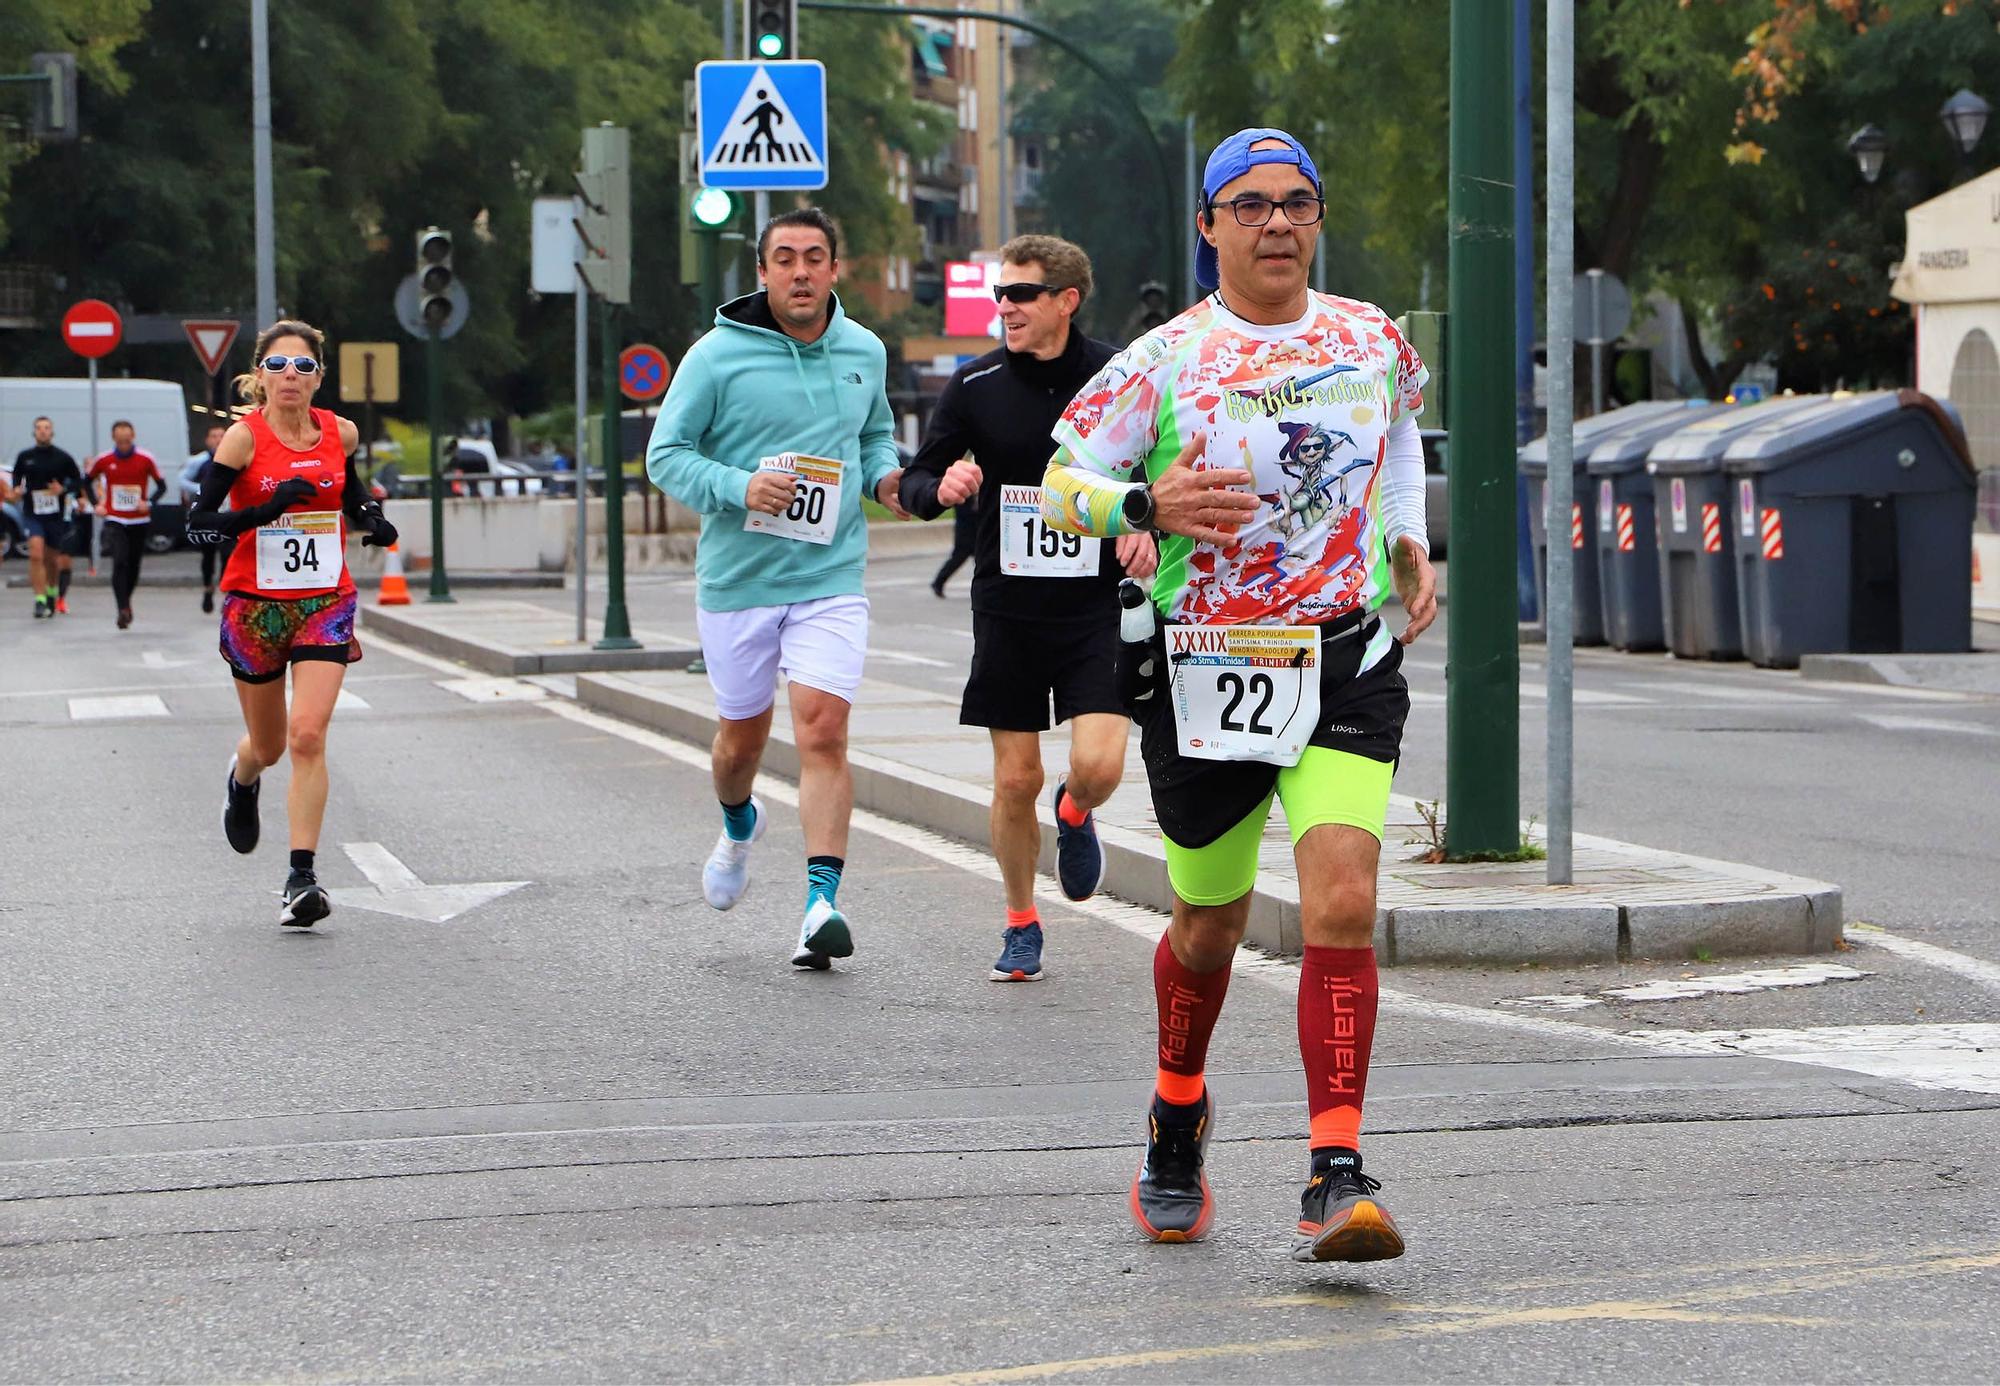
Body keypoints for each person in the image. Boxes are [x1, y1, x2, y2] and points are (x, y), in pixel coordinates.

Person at [1041, 129, 1438, 1263]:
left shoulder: (1369, 337)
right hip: (1206, 669)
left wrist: (1404, 536)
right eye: (1250, 205)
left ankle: (1335, 1172)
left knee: (1342, 899)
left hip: (1344, 657)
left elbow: (1398, 439)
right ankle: (1175, 1111)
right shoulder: (1160, 360)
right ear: (1208, 224)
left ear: (1318, 216)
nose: (1276, 224)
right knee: (1208, 921)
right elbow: (1066, 481)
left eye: (1296, 203)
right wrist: (1139, 508)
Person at [647, 207, 909, 971]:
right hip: (739, 581)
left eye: (815, 257)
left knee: (823, 729)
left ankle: (819, 905)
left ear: (835, 269)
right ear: (762, 272)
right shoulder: (715, 357)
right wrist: (738, 486)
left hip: (829, 574)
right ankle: (737, 823)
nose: (801, 271)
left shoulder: (864, 349)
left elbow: (872, 438)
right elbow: (667, 455)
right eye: (785, 258)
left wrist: (888, 478)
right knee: (741, 743)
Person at [900, 234, 1156, 983]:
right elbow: (918, 476)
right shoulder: (974, 385)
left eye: (1020, 294)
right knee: (1015, 780)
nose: (1003, 307)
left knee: (1099, 763)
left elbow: (1161, 467)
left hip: (1096, 606)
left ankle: (1076, 813)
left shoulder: (1117, 376)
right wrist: (937, 489)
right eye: (999, 295)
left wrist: (1149, 531)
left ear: (1066, 301)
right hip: (1009, 607)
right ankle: (1019, 922)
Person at [185, 320, 399, 928]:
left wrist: (371, 518)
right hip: (255, 605)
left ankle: (300, 877)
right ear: (260, 375)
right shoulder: (242, 440)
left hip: (324, 602)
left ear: (319, 378)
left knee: (308, 735)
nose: (290, 378)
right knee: (272, 745)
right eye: (278, 367)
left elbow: (350, 493)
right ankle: (243, 774)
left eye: (303, 368)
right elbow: (197, 524)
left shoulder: (341, 432)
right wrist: (265, 511)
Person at [85, 421, 168, 629]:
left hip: (139, 519)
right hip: (115, 519)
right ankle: (122, 608)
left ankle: (127, 602)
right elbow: (86, 481)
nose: (123, 444)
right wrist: (97, 505)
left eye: (127, 440)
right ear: (114, 439)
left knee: (133, 565)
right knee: (119, 561)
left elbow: (162, 486)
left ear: (133, 437)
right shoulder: (104, 460)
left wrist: (148, 502)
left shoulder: (145, 459)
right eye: (120, 440)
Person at [12, 416, 84, 618]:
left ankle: (52, 592)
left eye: (46, 428)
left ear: (52, 432)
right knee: (36, 553)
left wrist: (64, 488)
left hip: (55, 514)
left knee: (52, 559)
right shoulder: (25, 456)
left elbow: (78, 481)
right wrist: (17, 488)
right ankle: (40, 599)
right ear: (34, 432)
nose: (42, 431)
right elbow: (17, 477)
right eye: (39, 428)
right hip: (32, 512)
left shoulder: (62, 457)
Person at [181, 423, 232, 612]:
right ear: (208, 440)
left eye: (222, 436)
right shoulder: (200, 461)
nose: (218, 440)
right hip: (208, 515)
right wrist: (202, 490)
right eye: (214, 436)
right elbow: (182, 479)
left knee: (228, 555)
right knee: (208, 555)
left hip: (227, 516)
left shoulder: (236, 456)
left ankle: (226, 592)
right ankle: (207, 587)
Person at [928, 488, 977, 598]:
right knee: (958, 557)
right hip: (965, 530)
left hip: (976, 531)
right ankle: (938, 582)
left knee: (980, 560)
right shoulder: (963, 491)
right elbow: (966, 511)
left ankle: (982, 587)